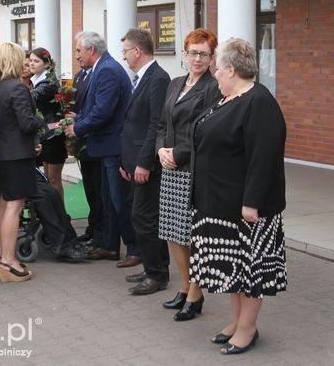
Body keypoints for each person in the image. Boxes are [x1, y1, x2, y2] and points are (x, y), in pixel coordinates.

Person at [189, 38, 287, 355]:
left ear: (230, 69)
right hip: (218, 202)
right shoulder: (229, 98)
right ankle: (235, 322)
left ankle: (247, 329)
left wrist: (252, 202)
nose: (214, 74)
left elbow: (264, 157)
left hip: (245, 208)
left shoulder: (258, 102)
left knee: (249, 271)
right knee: (233, 270)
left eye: (217, 68)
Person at [156, 28, 221, 320]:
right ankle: (184, 286)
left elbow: (206, 130)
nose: (197, 58)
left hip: (193, 169)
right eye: (193, 52)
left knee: (192, 234)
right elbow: (161, 125)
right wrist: (160, 150)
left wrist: (176, 154)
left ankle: (196, 293)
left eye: (203, 54)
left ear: (211, 57)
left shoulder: (213, 88)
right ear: (184, 54)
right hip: (169, 167)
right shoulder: (174, 84)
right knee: (173, 232)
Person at [64, 31, 136, 266]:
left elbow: (103, 111)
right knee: (109, 201)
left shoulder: (106, 70)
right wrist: (78, 121)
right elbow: (95, 107)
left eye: (78, 51)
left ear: (91, 50)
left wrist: (78, 128)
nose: (77, 56)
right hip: (106, 147)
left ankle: (134, 249)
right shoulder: (101, 68)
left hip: (113, 147)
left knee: (119, 200)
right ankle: (109, 246)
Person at [0, 42, 44, 282]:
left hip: (0, 154)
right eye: (22, 57)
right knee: (14, 207)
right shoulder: (17, 89)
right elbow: (27, 124)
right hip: (17, 155)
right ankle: (9, 261)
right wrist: (42, 121)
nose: (26, 62)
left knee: (3, 203)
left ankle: (3, 257)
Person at [119, 28, 171, 294]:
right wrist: (126, 161)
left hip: (147, 164)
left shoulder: (158, 78)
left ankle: (157, 274)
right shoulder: (141, 77)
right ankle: (153, 266)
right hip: (134, 162)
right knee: (144, 217)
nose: (124, 56)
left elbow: (155, 124)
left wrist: (143, 163)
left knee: (144, 217)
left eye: (126, 50)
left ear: (137, 51)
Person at [28, 47, 67, 203]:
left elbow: (33, 97)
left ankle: (61, 216)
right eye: (30, 60)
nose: (31, 64)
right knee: (46, 179)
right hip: (44, 134)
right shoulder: (37, 79)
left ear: (46, 64)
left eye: (36, 61)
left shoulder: (49, 82)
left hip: (53, 135)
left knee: (53, 179)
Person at [71, 64, 102, 246]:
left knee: (98, 190)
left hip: (94, 139)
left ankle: (99, 231)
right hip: (82, 141)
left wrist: (78, 123)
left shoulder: (99, 74)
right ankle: (92, 227)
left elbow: (97, 110)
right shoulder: (79, 76)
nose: (77, 55)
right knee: (89, 188)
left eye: (79, 51)